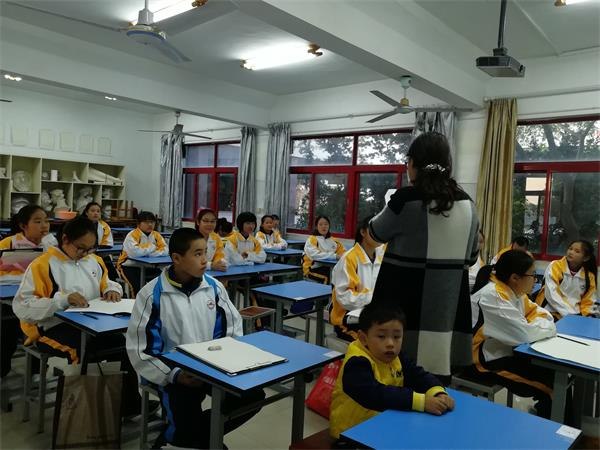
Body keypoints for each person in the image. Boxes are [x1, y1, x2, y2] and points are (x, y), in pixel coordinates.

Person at [126, 228, 264, 449]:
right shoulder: (152, 295)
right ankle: (196, 437)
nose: (205, 259)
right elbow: (142, 350)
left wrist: (225, 363)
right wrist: (174, 375)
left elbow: (232, 330)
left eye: (205, 252)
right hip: (170, 373)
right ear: (177, 258)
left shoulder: (214, 287)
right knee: (184, 406)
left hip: (212, 368)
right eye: (197, 254)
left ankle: (194, 436)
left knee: (252, 397)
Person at [368, 132, 479, 381]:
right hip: (447, 313)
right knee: (436, 386)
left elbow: (374, 233)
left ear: (413, 163)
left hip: (402, 307)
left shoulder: (405, 199)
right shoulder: (468, 205)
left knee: (396, 381)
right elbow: (472, 257)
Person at [330, 304, 453, 441]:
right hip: (351, 433)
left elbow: (417, 374)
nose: (390, 343)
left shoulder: (396, 356)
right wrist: (421, 402)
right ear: (364, 338)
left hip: (383, 424)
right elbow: (374, 394)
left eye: (396, 337)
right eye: (381, 336)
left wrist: (437, 392)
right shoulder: (356, 362)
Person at [13, 216, 122, 361]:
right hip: (52, 327)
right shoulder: (43, 265)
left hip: (91, 323)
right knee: (81, 352)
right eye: (81, 248)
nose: (85, 253)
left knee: (123, 345)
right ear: (65, 239)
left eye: (90, 248)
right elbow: (22, 306)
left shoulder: (94, 260)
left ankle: (118, 376)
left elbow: (106, 282)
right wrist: (63, 301)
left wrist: (111, 289)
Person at [471, 250, 556, 418]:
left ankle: (555, 419)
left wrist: (532, 325)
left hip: (505, 350)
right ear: (515, 278)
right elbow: (524, 335)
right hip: (483, 360)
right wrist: (547, 328)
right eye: (533, 275)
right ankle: (556, 429)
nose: (535, 280)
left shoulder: (514, 291)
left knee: (553, 373)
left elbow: (542, 314)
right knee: (550, 386)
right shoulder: (493, 296)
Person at [0, 205, 57, 377]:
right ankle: (3, 369)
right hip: (8, 298)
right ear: (23, 225)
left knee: (42, 327)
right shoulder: (8, 243)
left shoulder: (51, 245)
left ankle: (35, 372)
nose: (44, 226)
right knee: (7, 330)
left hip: (38, 298)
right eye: (38, 221)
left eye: (46, 221)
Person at [329, 216, 385, 341]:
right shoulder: (349, 259)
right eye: (374, 231)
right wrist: (374, 298)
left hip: (371, 314)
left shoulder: (380, 258)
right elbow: (345, 298)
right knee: (377, 341)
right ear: (363, 232)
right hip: (347, 318)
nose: (379, 235)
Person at [536, 240, 598, 319]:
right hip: (549, 311)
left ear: (586, 258)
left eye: (577, 251)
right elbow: (552, 295)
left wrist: (585, 317)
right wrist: (571, 315)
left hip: (576, 314)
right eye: (570, 248)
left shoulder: (589, 276)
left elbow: (588, 301)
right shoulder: (555, 266)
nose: (571, 252)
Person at [117, 211, 168, 295]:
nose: (150, 225)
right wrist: (152, 247)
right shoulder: (132, 235)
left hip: (148, 266)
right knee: (137, 288)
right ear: (138, 224)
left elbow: (166, 250)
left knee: (162, 282)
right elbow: (134, 253)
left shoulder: (156, 235)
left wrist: (149, 254)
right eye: (146, 222)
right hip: (128, 266)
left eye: (152, 222)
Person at [302, 216, 345, 284]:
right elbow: (315, 255)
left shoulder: (334, 241)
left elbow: (343, 253)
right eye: (320, 224)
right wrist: (335, 256)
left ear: (329, 226)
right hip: (312, 268)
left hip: (329, 267)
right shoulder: (312, 239)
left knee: (343, 275)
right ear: (316, 227)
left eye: (326, 224)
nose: (323, 226)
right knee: (329, 277)